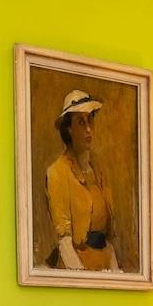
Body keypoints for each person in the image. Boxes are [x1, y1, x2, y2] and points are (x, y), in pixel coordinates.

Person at [44, 89, 118, 272]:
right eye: (80, 122)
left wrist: (115, 272)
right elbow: (64, 241)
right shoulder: (57, 172)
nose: (88, 129)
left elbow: (108, 240)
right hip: (76, 265)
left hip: (105, 265)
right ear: (69, 129)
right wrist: (83, 276)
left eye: (90, 120)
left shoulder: (99, 171)